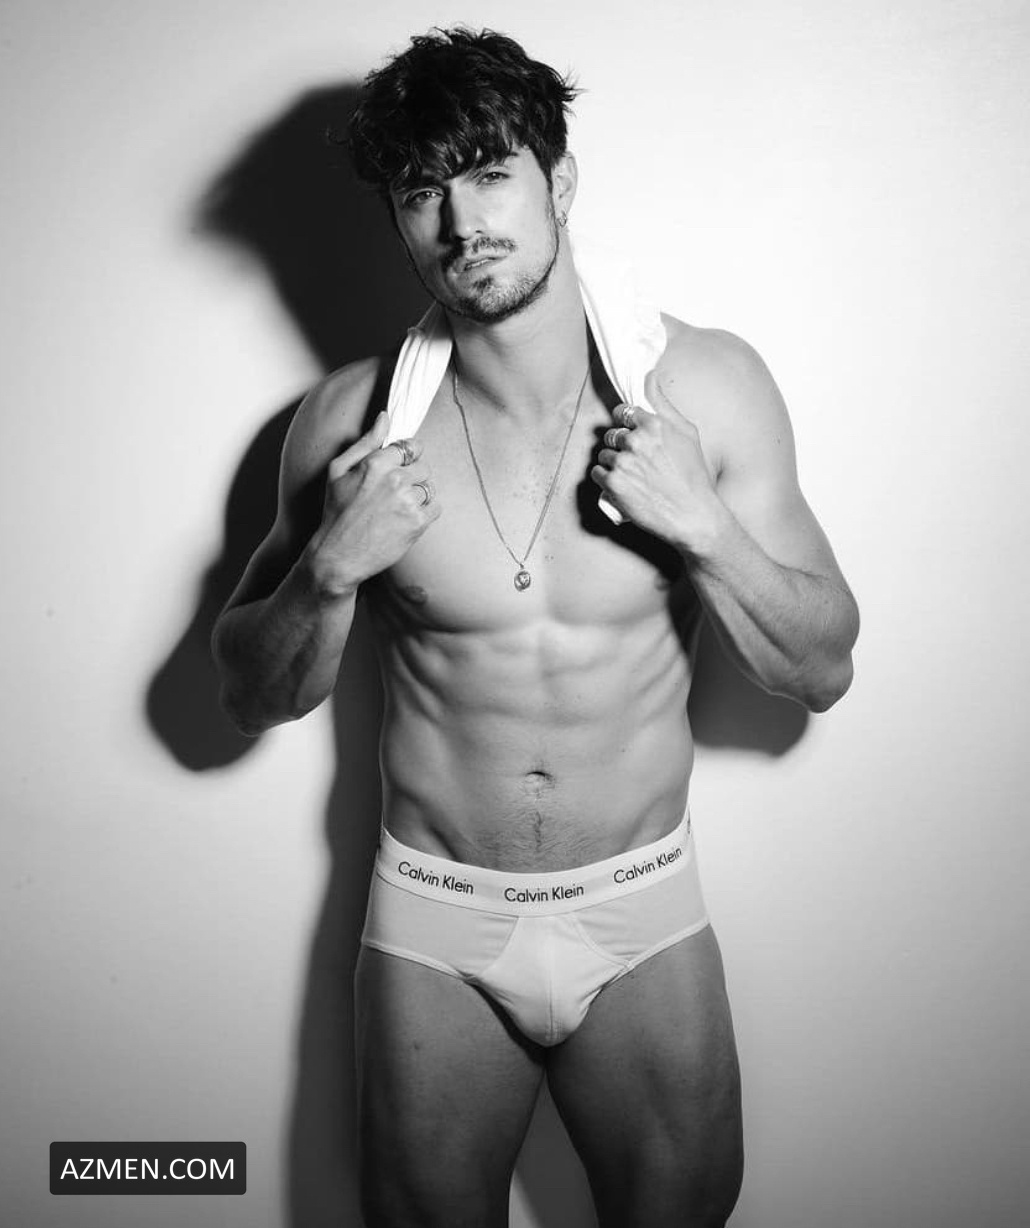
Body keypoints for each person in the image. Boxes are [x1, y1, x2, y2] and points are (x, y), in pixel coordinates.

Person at [212, 26, 859, 1228]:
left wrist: (705, 528)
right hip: (436, 919)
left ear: (559, 180)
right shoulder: (350, 426)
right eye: (423, 193)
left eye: (489, 172)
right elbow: (247, 693)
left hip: (640, 907)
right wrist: (330, 570)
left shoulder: (703, 391)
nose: (462, 224)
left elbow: (822, 666)